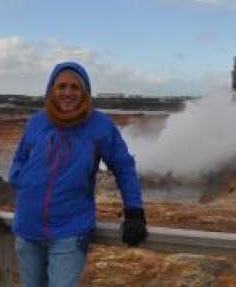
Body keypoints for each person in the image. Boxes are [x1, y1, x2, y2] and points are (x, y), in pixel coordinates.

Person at [8, 61, 148, 287]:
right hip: (27, 228)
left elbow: (124, 167)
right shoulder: (37, 122)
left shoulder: (100, 125)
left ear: (85, 92)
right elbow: (20, 158)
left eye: (75, 87)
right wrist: (19, 179)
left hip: (69, 232)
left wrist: (134, 212)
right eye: (62, 86)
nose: (68, 93)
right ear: (51, 89)